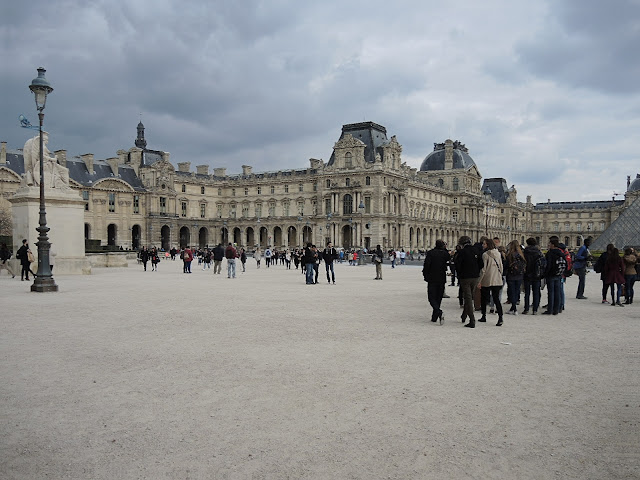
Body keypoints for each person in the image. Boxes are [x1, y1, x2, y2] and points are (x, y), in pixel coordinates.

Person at [454, 236, 483, 328]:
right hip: (475, 277)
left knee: (468, 298)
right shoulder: (476, 250)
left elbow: (457, 265)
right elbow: (481, 264)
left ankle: (472, 320)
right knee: (469, 296)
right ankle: (464, 315)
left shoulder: (461, 252)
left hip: (465, 277)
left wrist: (459, 275)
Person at [476, 238, 504, 326]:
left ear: (488, 245)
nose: (483, 245)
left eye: (484, 244)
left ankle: (483, 316)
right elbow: (501, 266)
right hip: (497, 278)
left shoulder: (485, 254)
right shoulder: (498, 253)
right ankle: (500, 317)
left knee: (484, 299)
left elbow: (484, 269)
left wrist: (479, 281)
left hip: (487, 278)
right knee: (496, 299)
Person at [422, 240, 450, 324]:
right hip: (441, 277)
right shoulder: (445, 254)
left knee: (431, 297)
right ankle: (434, 317)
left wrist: (425, 275)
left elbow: (427, 264)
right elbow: (449, 261)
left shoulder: (431, 253)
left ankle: (438, 312)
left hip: (432, 277)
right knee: (439, 297)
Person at [543, 237, 566, 315]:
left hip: (551, 275)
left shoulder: (550, 253)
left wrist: (545, 273)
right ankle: (556, 310)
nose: (548, 245)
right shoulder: (561, 253)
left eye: (549, 243)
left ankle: (550, 310)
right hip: (559, 274)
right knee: (557, 293)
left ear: (552, 245)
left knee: (551, 293)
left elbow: (548, 265)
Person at [522, 238, 544, 315]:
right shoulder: (539, 252)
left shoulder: (525, 252)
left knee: (527, 293)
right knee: (536, 292)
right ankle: (535, 309)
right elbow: (542, 263)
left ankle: (526, 309)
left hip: (527, 273)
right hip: (536, 274)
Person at [505, 240, 526, 315]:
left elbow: (506, 265)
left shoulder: (510, 255)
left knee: (512, 292)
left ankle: (514, 308)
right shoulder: (521, 255)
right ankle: (513, 308)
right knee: (517, 291)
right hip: (519, 275)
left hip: (511, 275)